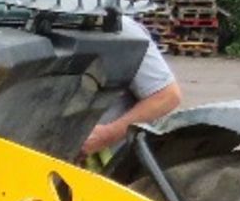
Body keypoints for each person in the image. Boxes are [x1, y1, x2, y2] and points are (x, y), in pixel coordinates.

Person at [76, 10, 182, 162]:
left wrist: (107, 135)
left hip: (114, 165)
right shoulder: (36, 30)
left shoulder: (119, 31)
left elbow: (167, 96)